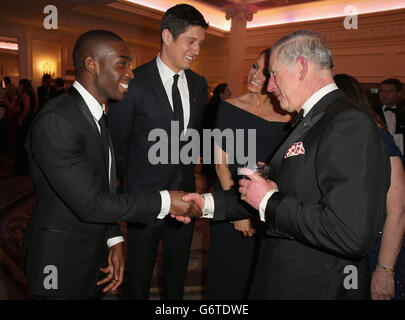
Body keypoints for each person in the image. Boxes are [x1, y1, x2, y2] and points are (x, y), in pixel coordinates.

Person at [183, 30, 390, 299]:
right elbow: (285, 193)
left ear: (301, 67)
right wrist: (205, 204)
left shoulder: (347, 123)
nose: (268, 86)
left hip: (313, 286)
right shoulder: (311, 119)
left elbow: (350, 233)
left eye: (274, 74)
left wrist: (269, 201)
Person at [21, 29, 201, 300]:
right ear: (92, 65)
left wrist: (113, 237)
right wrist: (165, 201)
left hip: (91, 253)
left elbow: (102, 187)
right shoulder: (58, 120)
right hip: (60, 262)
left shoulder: (96, 114)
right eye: (122, 63)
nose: (130, 73)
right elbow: (91, 203)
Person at [108, 4, 208, 300]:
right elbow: (119, 148)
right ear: (167, 36)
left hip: (186, 199)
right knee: (138, 278)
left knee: (176, 279)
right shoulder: (132, 83)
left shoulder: (199, 85)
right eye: (191, 41)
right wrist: (137, 190)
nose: (197, 50)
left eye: (200, 43)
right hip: (145, 202)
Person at [205, 49, 291, 299]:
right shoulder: (228, 107)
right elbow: (220, 164)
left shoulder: (288, 114)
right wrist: (237, 212)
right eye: (254, 67)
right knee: (228, 273)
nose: (254, 75)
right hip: (231, 201)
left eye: (265, 72)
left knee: (260, 277)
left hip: (267, 208)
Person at [334, 73, 405, 300]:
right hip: (347, 246)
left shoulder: (377, 138)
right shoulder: (336, 138)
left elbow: (398, 209)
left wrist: (384, 270)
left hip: (378, 245)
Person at [200, 83, 232, 192]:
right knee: (216, 173)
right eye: (227, 91)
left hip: (209, 143)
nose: (230, 93)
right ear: (221, 93)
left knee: (208, 175)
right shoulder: (223, 108)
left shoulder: (209, 106)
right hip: (217, 144)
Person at [373, 78, 405, 154]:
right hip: (379, 153)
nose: (384, 95)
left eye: (390, 92)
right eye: (382, 91)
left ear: (399, 94)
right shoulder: (372, 112)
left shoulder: (402, 113)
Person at [13, 79, 36, 174]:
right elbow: (34, 108)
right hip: (30, 121)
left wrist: (21, 119)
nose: (18, 86)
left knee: (21, 143)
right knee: (26, 143)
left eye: (19, 85)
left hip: (25, 122)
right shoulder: (32, 94)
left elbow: (26, 108)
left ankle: (22, 167)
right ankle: (27, 166)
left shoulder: (25, 95)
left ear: (23, 86)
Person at [3, 77, 18, 157]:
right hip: (9, 116)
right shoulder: (5, 97)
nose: (14, 90)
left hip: (15, 116)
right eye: (12, 89)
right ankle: (12, 152)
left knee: (15, 134)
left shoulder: (15, 96)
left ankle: (15, 151)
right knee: (11, 134)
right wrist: (14, 100)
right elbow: (10, 107)